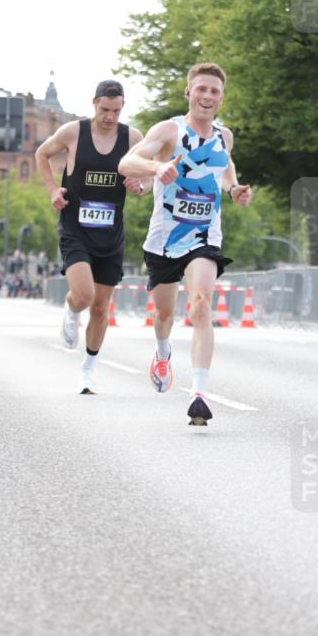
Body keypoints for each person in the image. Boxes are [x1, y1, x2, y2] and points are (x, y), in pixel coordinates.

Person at [118, 62, 252, 425]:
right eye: (201, 89)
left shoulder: (224, 137)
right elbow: (127, 162)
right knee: (164, 314)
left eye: (214, 91)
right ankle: (163, 352)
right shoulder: (168, 131)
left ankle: (198, 394)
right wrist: (156, 170)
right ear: (188, 93)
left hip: (204, 236)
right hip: (164, 239)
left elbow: (226, 170)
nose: (207, 96)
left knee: (200, 305)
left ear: (221, 99)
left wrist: (234, 189)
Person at [35, 79, 145, 394]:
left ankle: (88, 369)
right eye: (105, 109)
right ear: (94, 103)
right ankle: (71, 311)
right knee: (84, 296)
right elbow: (42, 154)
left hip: (111, 233)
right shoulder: (74, 132)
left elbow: (148, 171)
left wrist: (140, 185)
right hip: (75, 228)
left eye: (116, 110)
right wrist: (53, 189)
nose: (110, 117)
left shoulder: (132, 138)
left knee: (101, 307)